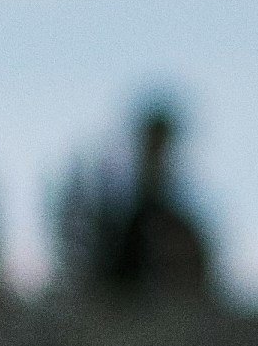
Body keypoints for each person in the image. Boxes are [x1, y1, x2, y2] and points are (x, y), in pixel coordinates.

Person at [78, 99, 216, 303]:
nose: (156, 155)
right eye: (152, 144)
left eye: (160, 145)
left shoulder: (177, 227)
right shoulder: (120, 222)